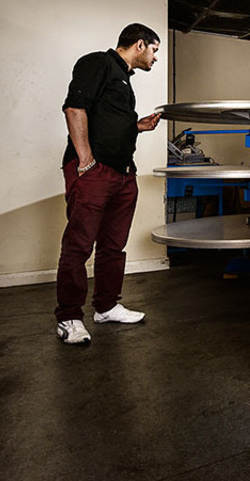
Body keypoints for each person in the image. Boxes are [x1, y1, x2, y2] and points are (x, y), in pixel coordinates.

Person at [55, 23, 162, 345]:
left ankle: (106, 306)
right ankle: (69, 317)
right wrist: (86, 161)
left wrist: (136, 126)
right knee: (79, 245)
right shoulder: (97, 62)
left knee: (113, 245)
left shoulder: (124, 80)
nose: (155, 59)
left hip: (122, 173)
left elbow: (108, 121)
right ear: (140, 44)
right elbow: (75, 107)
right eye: (155, 50)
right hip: (95, 172)